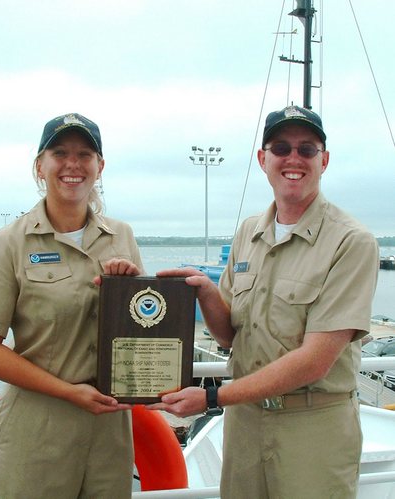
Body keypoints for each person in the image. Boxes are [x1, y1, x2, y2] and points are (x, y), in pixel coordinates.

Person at [150, 105, 379, 498]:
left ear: (324, 160)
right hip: (245, 424)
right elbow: (228, 336)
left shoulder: (351, 242)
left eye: (307, 149)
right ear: (263, 159)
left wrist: (212, 397)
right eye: (281, 148)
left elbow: (315, 360)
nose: (294, 158)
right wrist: (206, 291)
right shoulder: (247, 233)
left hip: (313, 427)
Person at [0, 113, 144, 498]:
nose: (73, 164)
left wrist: (130, 291)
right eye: (60, 153)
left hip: (110, 432)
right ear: (40, 166)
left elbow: (142, 330)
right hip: (36, 429)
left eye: (85, 154)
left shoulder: (121, 236)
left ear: (100, 166)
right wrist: (68, 392)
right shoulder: (9, 242)